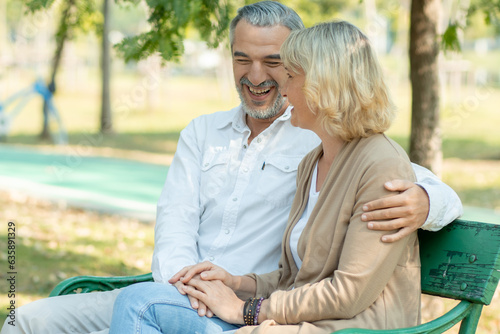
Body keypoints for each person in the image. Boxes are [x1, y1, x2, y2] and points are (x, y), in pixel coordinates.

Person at [1, 2, 461, 334]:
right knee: (23, 319)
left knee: (142, 309)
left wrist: (425, 201)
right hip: (196, 292)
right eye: (243, 58)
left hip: (257, 310)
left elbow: (404, 180)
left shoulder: (324, 137)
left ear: (314, 79)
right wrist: (200, 287)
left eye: (278, 65)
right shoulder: (212, 134)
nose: (260, 76)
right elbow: (175, 223)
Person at [109, 19, 422, 334]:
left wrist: (244, 309)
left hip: (348, 327)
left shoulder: (381, 165)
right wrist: (237, 283)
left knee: (141, 306)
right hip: (292, 322)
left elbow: (348, 295)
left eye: (291, 76)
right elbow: (292, 276)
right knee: (139, 302)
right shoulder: (314, 161)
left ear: (324, 85)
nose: (283, 91)